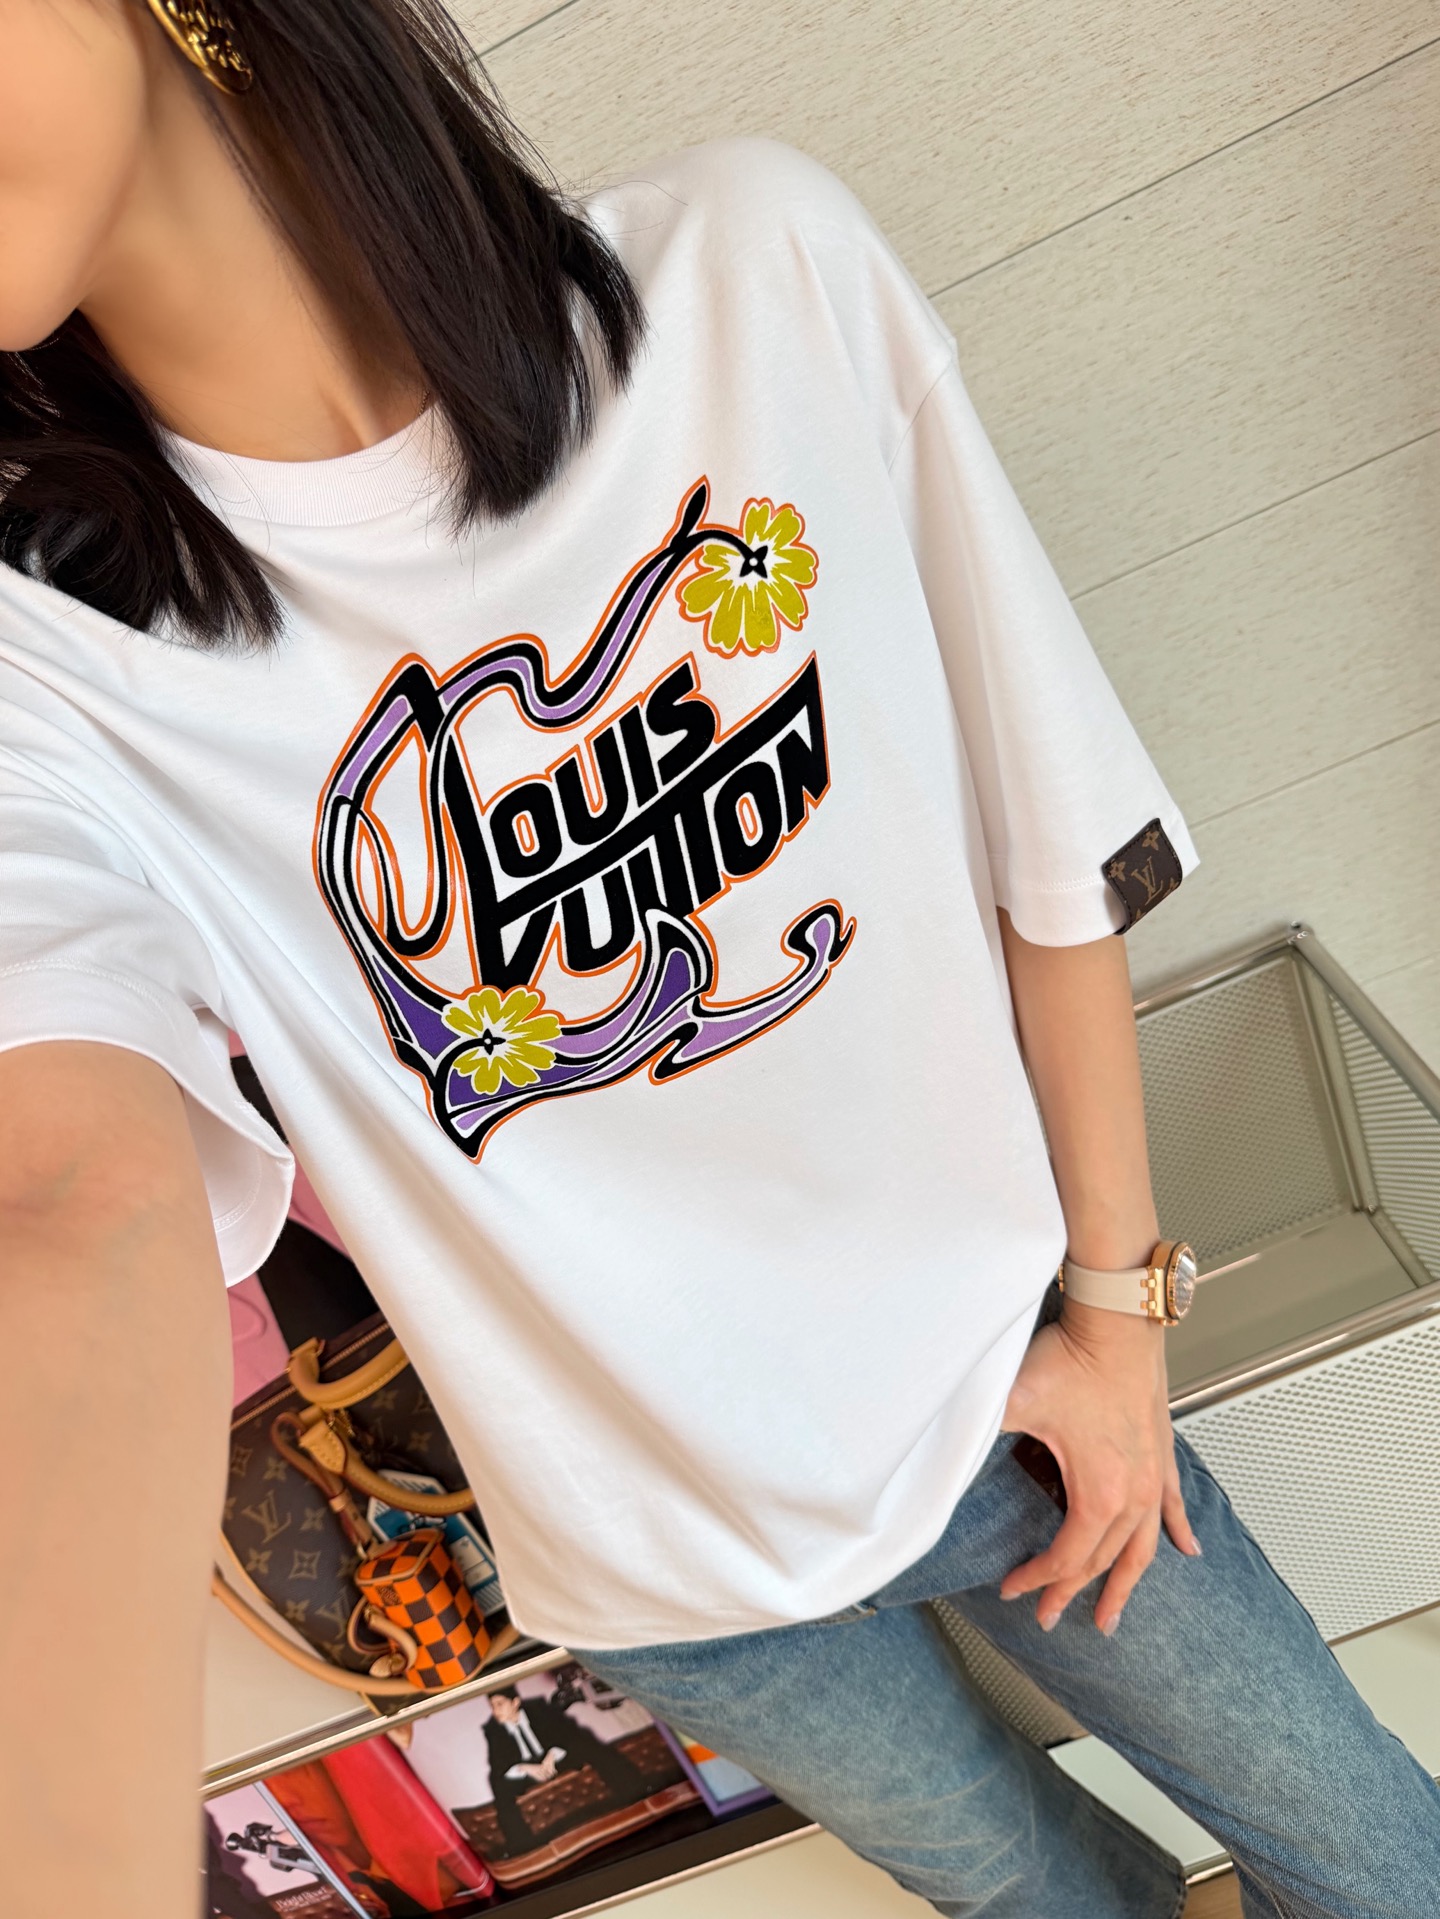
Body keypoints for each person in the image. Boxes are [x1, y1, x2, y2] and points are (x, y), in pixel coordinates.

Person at [0, 3, 1435, 1916]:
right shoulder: (52, 669)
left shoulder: (751, 273)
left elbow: (1051, 833)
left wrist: (1119, 1314)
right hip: (661, 1571)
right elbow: (69, 1196)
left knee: (1378, 1857)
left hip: (1000, 1396)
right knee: (1037, 1897)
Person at [483, 1686, 646, 1853]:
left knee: (584, 1742)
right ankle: (522, 1846)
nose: (495, 1711)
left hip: (557, 1760)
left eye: (500, 1704)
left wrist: (552, 1754)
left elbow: (568, 1732)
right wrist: (524, 1768)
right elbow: (498, 1767)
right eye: (492, 1706)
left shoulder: (539, 1708)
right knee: (498, 1783)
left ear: (515, 1702)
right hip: (528, 1774)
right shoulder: (493, 1730)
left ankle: (635, 1790)